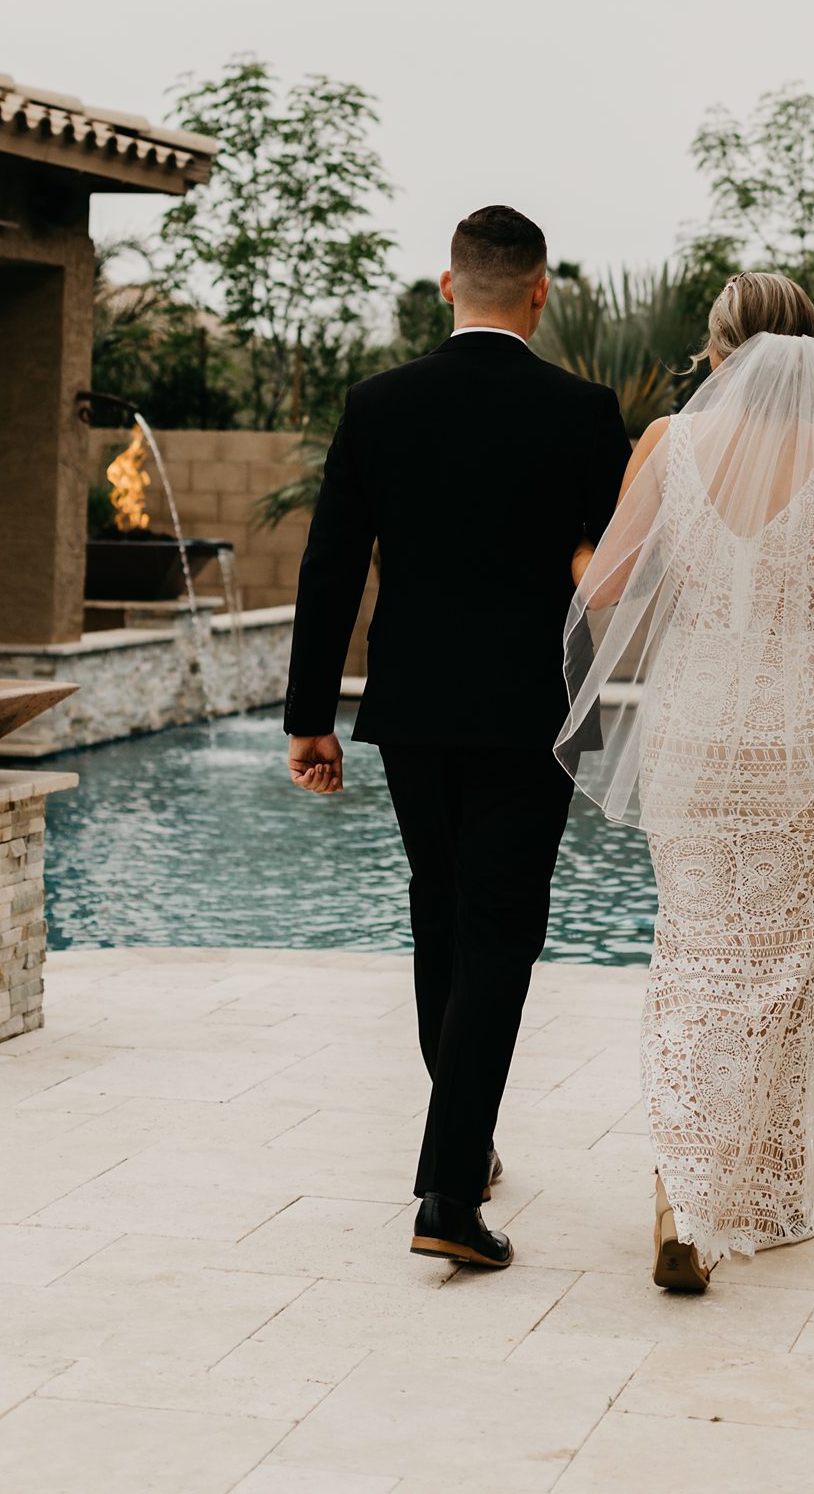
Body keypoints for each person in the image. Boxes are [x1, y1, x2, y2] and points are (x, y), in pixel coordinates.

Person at [284, 204, 630, 1270]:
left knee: (442, 917)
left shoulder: (381, 403)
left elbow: (331, 563)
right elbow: (620, 567)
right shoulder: (582, 410)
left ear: (448, 286)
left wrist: (310, 716)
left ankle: (462, 1152)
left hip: (413, 710)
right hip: (533, 711)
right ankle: (447, 1189)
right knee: (500, 935)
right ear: (539, 292)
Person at [556, 272, 814, 1292]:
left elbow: (602, 587)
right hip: (801, 717)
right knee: (782, 958)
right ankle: (765, 1196)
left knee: (692, 945)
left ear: (720, 349)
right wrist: (793, 645)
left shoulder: (669, 443)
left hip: (695, 715)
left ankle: (686, 1194)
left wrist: (596, 553)